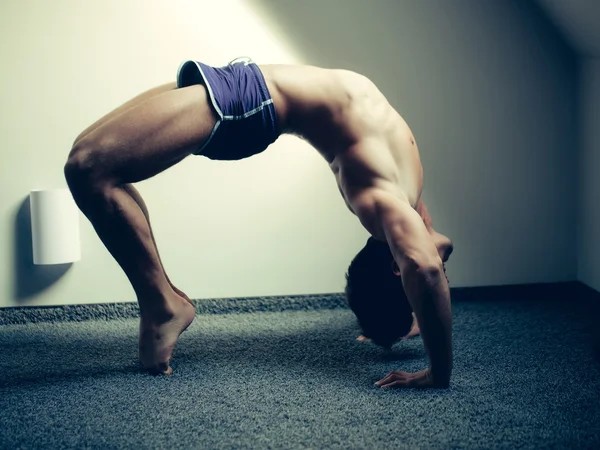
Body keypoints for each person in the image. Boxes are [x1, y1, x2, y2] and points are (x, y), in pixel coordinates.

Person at [64, 57, 453, 388]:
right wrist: (424, 341)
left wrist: (426, 345)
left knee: (88, 169)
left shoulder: (396, 196)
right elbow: (427, 264)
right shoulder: (396, 204)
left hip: (248, 101)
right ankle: (162, 302)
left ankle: (163, 305)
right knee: (85, 155)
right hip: (243, 87)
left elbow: (429, 260)